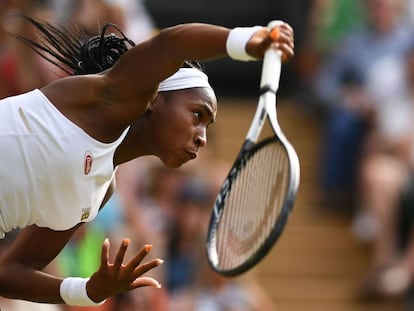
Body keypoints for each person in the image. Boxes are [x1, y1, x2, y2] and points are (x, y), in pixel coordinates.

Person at [0, 13, 294, 307]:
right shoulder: (105, 99)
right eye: (197, 115)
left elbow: (10, 272)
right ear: (153, 96)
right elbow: (170, 44)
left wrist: (89, 290)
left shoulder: (99, 192)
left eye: (207, 126)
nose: (202, 137)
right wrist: (246, 40)